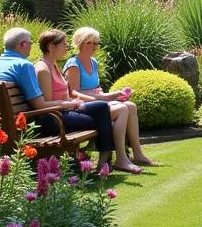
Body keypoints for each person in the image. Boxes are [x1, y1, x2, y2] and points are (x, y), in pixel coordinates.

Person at [0, 27, 120, 174]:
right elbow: (40, 104)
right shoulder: (24, 65)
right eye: (30, 42)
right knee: (104, 121)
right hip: (42, 120)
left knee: (101, 109)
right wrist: (67, 104)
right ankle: (103, 161)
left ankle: (101, 160)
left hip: (2, 123)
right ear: (22, 44)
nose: (31, 45)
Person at [34, 29, 143, 174]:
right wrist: (70, 103)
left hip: (66, 110)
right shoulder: (43, 69)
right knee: (103, 114)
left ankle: (111, 158)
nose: (66, 47)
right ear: (51, 46)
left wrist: (102, 96)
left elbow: (67, 93)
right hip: (55, 117)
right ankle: (109, 159)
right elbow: (46, 103)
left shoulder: (53, 65)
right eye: (63, 44)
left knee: (103, 108)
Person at [64, 26, 155, 167]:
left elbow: (96, 90)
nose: (94, 46)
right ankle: (121, 158)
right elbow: (74, 93)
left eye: (96, 43)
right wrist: (106, 97)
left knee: (131, 106)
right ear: (80, 43)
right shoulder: (73, 65)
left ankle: (137, 153)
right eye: (89, 43)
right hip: (82, 106)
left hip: (96, 102)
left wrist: (113, 95)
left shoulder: (93, 62)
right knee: (123, 109)